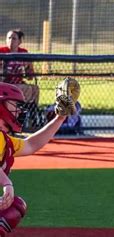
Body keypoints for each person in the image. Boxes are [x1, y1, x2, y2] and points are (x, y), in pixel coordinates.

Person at [0, 82, 73, 235]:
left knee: (15, 208)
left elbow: (30, 145)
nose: (19, 110)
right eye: (14, 105)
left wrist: (59, 119)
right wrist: (6, 181)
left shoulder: (3, 140)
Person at [0, 29, 38, 106]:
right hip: (5, 83)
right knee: (25, 88)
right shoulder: (2, 52)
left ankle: (33, 112)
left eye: (14, 38)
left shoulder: (23, 53)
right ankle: (22, 109)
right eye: (9, 38)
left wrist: (27, 68)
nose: (11, 40)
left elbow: (30, 77)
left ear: (19, 42)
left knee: (35, 88)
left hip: (18, 82)